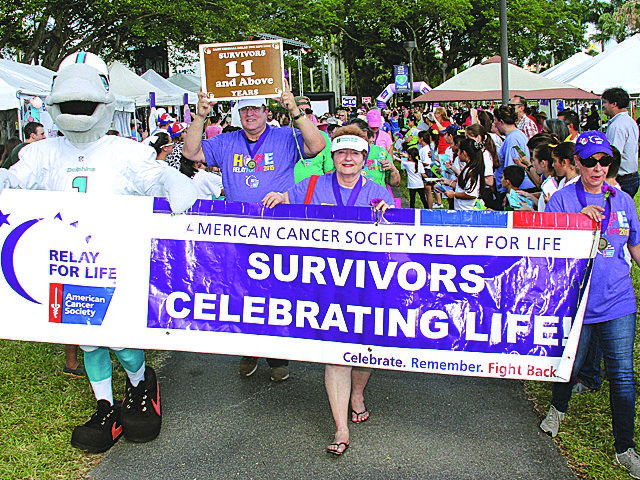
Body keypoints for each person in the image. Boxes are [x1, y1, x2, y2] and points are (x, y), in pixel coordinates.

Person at [0, 52, 197, 454]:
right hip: (65, 263)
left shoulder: (124, 151)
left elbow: (155, 177)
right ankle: (105, 404)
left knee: (120, 334)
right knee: (87, 338)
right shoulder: (41, 153)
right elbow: (14, 184)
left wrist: (172, 181)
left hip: (116, 260)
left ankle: (142, 384)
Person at [262, 125, 393, 456]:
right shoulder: (313, 185)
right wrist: (279, 198)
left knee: (365, 349)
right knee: (337, 354)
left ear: (365, 158)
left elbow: (397, 233)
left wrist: (389, 215)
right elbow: (287, 199)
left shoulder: (378, 191)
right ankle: (341, 427)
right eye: (340, 153)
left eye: (354, 153)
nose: (347, 158)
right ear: (332, 157)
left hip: (366, 283)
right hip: (325, 284)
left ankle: (358, 394)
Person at [183, 84, 325, 381]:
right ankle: (248, 350)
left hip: (278, 231)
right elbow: (191, 152)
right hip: (239, 232)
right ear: (238, 113)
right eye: (245, 109)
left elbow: (317, 146)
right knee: (241, 293)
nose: (250, 114)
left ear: (265, 112)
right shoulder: (226, 141)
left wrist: (294, 110)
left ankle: (277, 357)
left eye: (256, 109)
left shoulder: (285, 136)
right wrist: (200, 116)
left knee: (277, 293)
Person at [540, 130, 640, 479]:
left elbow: (635, 249)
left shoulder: (623, 201)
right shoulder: (562, 200)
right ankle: (558, 409)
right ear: (577, 162)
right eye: (590, 161)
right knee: (569, 363)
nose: (597, 168)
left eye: (604, 161)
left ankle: (624, 448)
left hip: (619, 302)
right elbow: (548, 254)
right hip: (576, 303)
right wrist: (579, 222)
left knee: (623, 376)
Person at [602, 87, 639, 198]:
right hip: (632, 175)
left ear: (614, 103)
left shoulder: (617, 126)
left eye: (605, 102)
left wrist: (608, 179)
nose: (603, 105)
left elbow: (613, 155)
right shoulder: (629, 121)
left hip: (622, 178)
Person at [493, 105, 535, 196]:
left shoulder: (512, 139)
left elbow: (511, 170)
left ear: (501, 122)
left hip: (516, 189)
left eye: (495, 120)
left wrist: (508, 193)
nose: (494, 124)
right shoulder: (517, 134)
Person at [437, 138, 485, 210]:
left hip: (467, 211)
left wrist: (454, 194)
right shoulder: (467, 169)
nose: (457, 153)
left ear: (464, 153)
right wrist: (448, 182)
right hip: (461, 209)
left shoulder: (472, 171)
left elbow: (472, 194)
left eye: (459, 151)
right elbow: (464, 188)